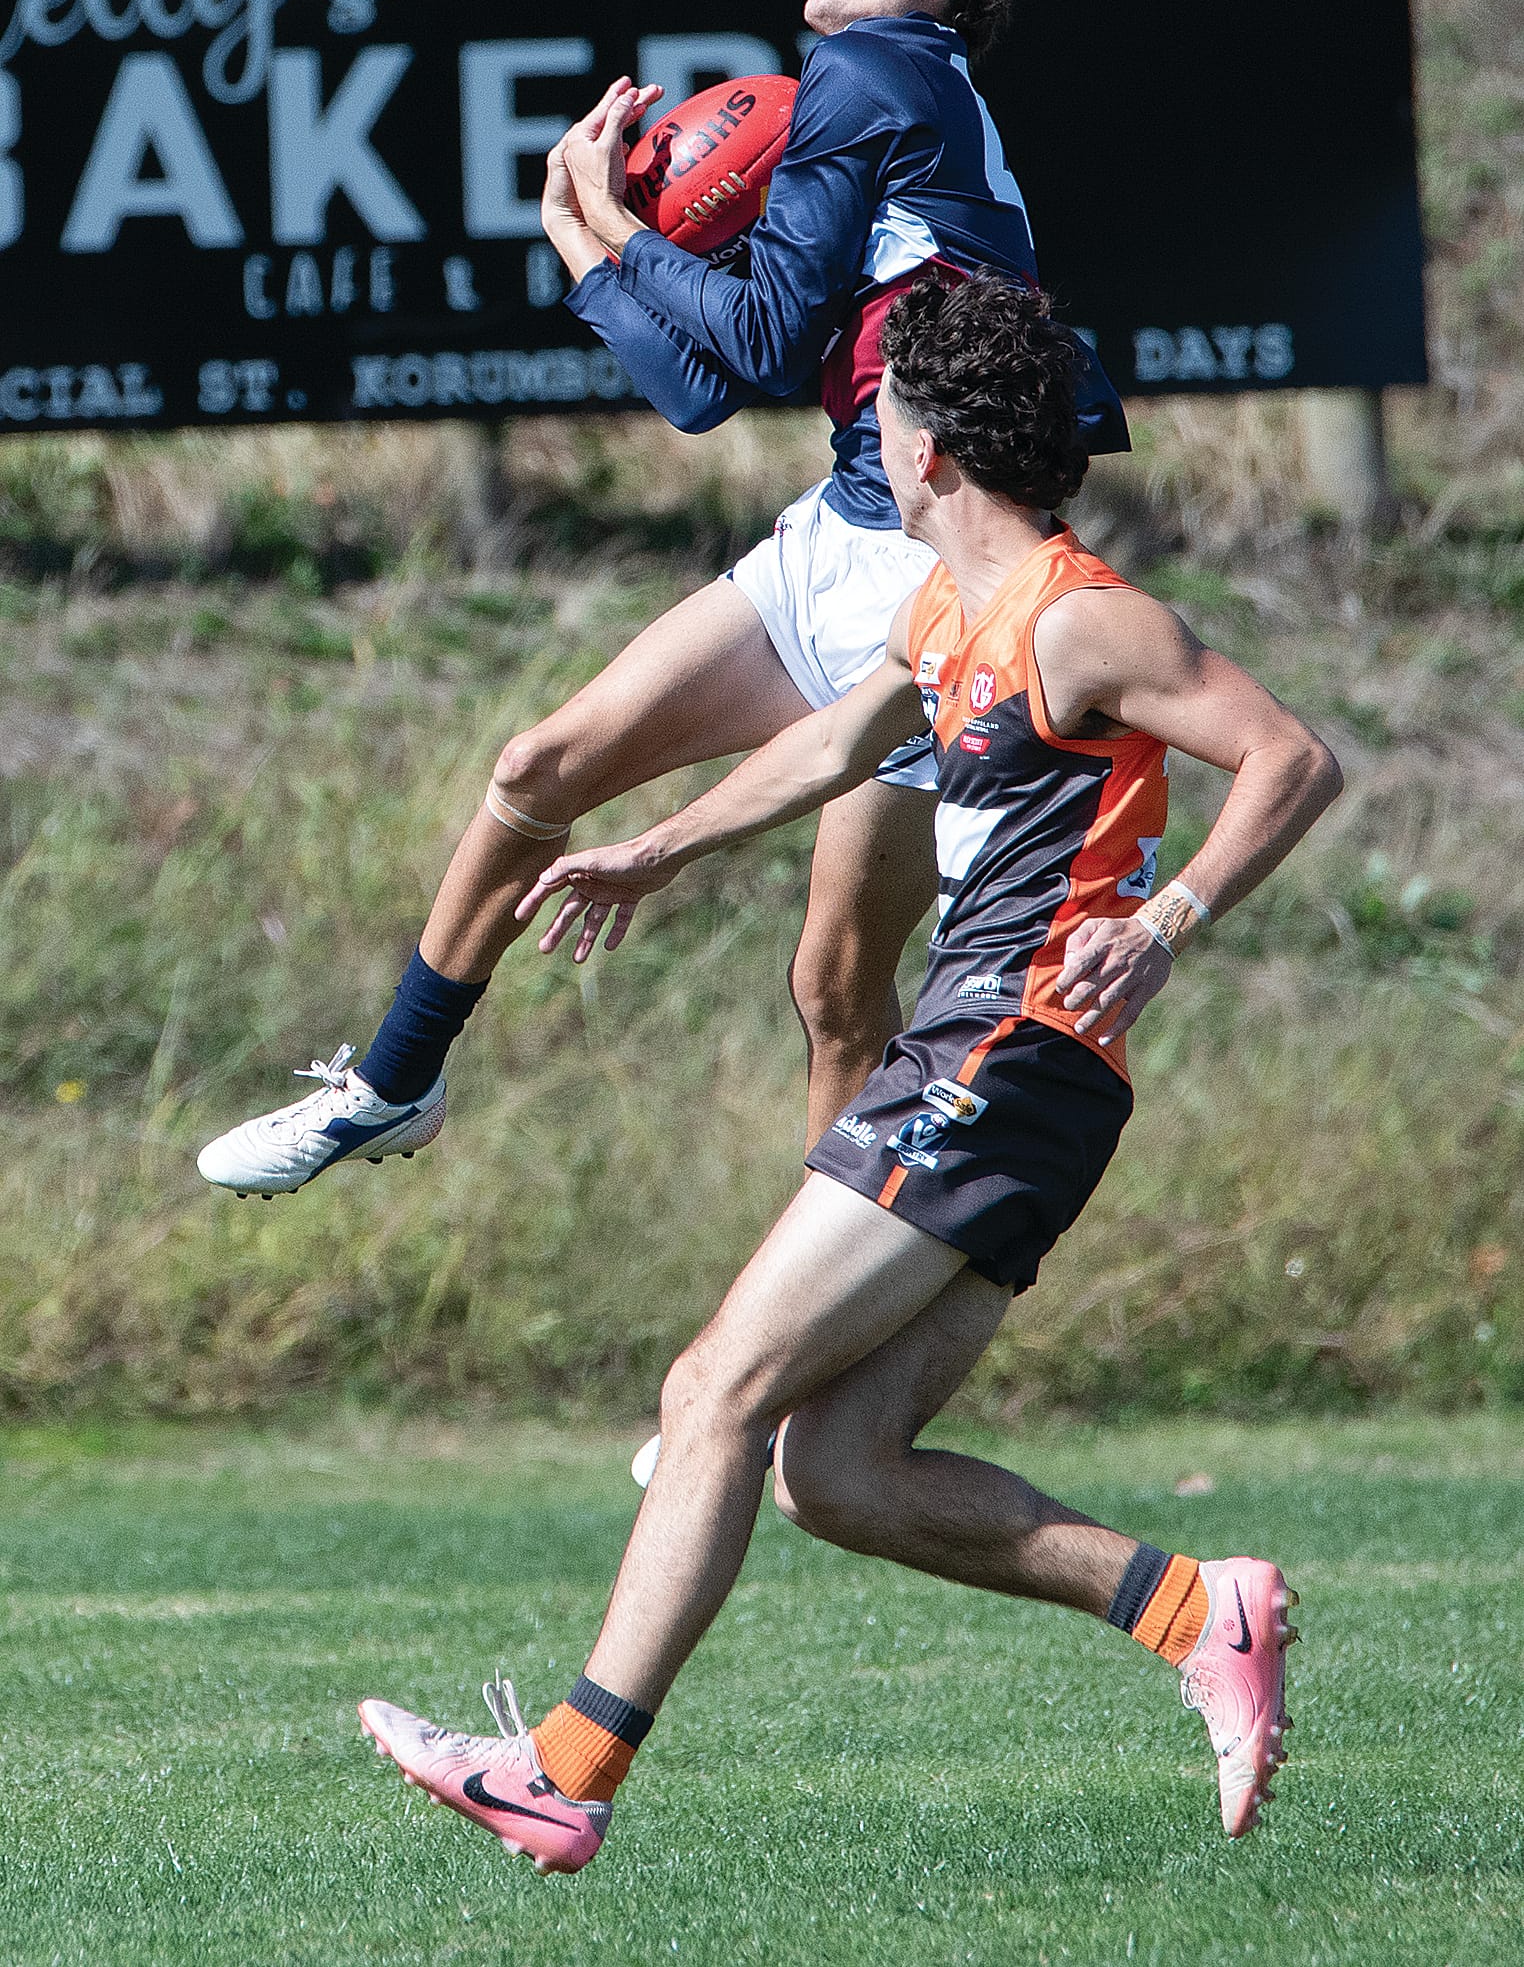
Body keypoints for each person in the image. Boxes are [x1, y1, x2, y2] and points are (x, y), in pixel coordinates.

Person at [356, 271, 1341, 1869]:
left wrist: (1169, 918)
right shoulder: (944, 610)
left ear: (933, 446)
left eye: (879, 403)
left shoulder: (1083, 616)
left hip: (1001, 1055)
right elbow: (836, 744)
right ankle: (1195, 1607)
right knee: (838, 1469)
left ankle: (567, 1767)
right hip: (1009, 1068)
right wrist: (656, 849)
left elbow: (1294, 756)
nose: (863, 421)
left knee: (712, 1395)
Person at [196, 0, 1130, 1199]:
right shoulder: (895, 97)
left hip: (935, 578)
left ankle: (808, 1316)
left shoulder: (873, 67)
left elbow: (744, 344)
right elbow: (702, 388)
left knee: (830, 979)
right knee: (558, 787)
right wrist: (582, 239)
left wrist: (622, 230)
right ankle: (391, 1084)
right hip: (845, 527)